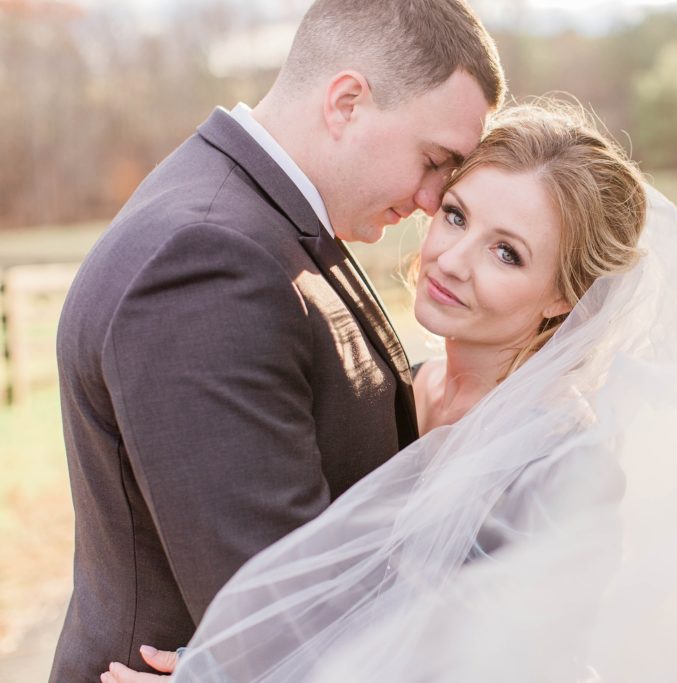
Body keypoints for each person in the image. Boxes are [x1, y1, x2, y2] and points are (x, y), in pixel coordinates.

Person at [110, 109, 677, 681]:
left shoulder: (563, 464)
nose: (453, 261)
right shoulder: (394, 382)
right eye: (459, 216)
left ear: (565, 299)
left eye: (509, 252)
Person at [51, 1, 504, 680]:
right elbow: (277, 625)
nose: (433, 200)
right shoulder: (205, 261)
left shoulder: (269, 220)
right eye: (435, 160)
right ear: (347, 102)